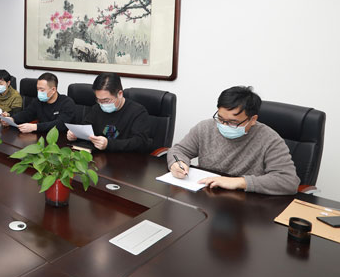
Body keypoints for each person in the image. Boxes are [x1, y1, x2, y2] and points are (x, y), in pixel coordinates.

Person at [167, 86, 300, 195]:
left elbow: (288, 181)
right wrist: (177, 163)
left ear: (253, 120)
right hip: (208, 196)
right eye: (220, 119)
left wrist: (241, 182)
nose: (224, 125)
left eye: (233, 122)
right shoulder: (205, 127)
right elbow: (179, 150)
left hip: (245, 204)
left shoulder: (270, 139)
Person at [66, 73, 152, 152]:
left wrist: (108, 144)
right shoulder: (97, 108)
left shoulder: (137, 112)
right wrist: (75, 135)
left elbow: (140, 142)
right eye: (99, 100)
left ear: (120, 94)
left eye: (106, 100)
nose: (102, 104)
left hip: (126, 159)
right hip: (100, 157)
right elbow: (85, 128)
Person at [2, 72, 75, 133]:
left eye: (42, 90)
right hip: (41, 137)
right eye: (38, 89)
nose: (39, 92)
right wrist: (12, 119)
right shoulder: (38, 101)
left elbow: (60, 124)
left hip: (61, 139)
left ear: (53, 90)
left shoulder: (67, 102)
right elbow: (27, 113)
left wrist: (35, 127)